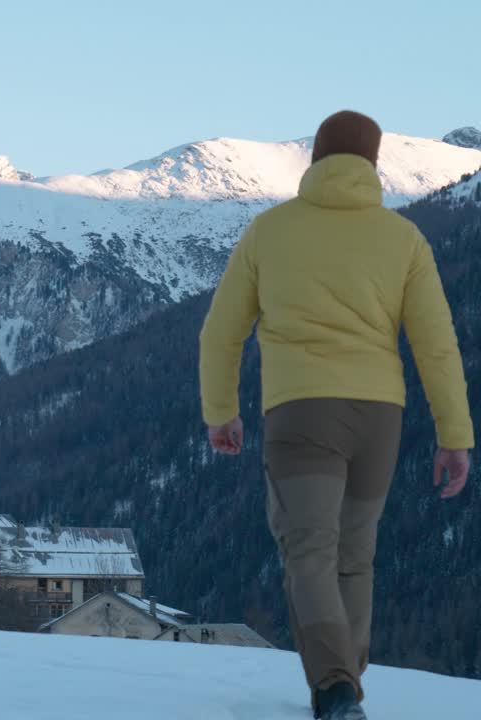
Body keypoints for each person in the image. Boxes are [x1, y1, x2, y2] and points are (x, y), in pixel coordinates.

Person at [198, 110, 473, 720]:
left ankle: (335, 688)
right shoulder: (404, 239)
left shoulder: (269, 232)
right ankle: (345, 678)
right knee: (355, 554)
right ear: (373, 165)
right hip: (381, 417)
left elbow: (221, 333)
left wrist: (222, 412)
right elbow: (436, 345)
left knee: (310, 552)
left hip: (301, 413)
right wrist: (455, 437)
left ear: (316, 160)